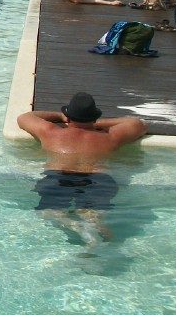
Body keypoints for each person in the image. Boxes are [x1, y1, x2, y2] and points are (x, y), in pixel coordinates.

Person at [18, 93, 147, 245]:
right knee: (92, 214)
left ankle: (76, 227)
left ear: (69, 117)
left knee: (50, 212)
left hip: (58, 177)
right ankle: (93, 229)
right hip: (98, 180)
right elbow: (138, 124)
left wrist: (60, 116)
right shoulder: (110, 137)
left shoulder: (51, 132)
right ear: (94, 118)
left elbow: (24, 118)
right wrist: (97, 124)